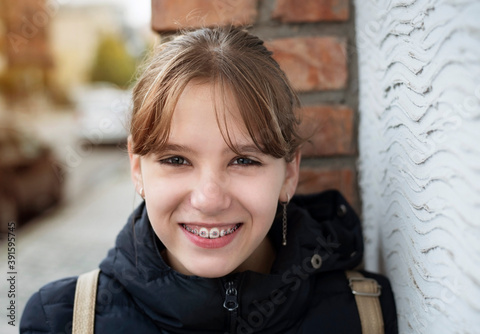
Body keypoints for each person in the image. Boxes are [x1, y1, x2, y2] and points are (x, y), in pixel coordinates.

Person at [21, 26, 398, 333]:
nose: (209, 198)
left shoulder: (367, 316)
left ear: (290, 173)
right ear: (137, 168)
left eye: (244, 160)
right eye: (176, 159)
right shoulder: (62, 321)